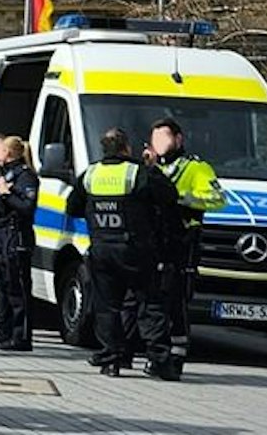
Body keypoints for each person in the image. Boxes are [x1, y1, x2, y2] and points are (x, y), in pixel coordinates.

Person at [67, 127, 179, 379]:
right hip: (135, 251)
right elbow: (168, 196)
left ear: (103, 149)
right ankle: (159, 360)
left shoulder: (91, 173)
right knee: (149, 304)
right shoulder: (138, 172)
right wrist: (152, 168)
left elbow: (72, 207)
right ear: (126, 148)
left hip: (102, 249)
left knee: (107, 307)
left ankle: (111, 360)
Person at [150, 117, 225, 373]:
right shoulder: (150, 167)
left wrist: (180, 199)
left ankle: (177, 356)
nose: (159, 144)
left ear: (178, 139)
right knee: (152, 301)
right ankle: (156, 354)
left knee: (176, 300)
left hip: (182, 242)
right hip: (155, 241)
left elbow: (217, 198)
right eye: (155, 138)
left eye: (165, 138)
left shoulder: (196, 168)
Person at [0, 136, 39, 352]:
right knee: (3, 285)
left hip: (17, 236)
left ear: (10, 152)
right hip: (1, 235)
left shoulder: (25, 175)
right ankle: (5, 329)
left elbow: (26, 207)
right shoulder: (4, 173)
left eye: (2, 149)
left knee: (19, 288)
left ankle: (21, 335)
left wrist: (6, 193)